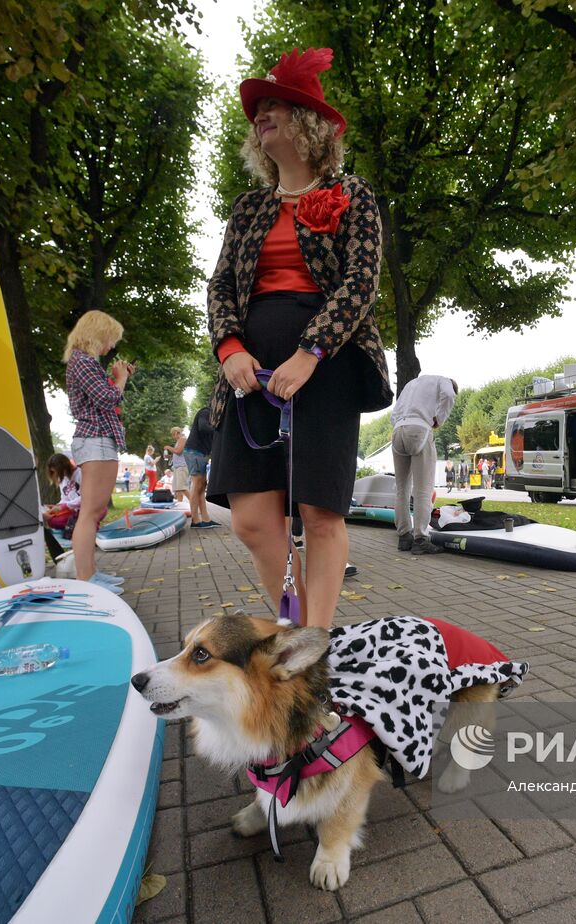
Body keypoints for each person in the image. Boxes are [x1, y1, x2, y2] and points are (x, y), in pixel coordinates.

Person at [204, 47, 392, 629]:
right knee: (252, 520)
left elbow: (362, 280)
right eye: (256, 111)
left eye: (273, 107)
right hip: (249, 374)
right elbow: (219, 287)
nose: (259, 116)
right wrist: (230, 349)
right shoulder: (248, 208)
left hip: (327, 370)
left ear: (307, 123)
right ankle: (304, 636)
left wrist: (309, 352)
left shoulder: (352, 195)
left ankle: (313, 643)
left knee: (321, 515)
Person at [64, 310, 131, 591]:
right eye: (110, 339)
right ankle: (86, 579)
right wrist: (120, 379)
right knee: (90, 512)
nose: (112, 346)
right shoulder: (83, 362)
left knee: (95, 511)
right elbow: (108, 397)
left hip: (98, 439)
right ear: (98, 334)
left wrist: (117, 377)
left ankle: (91, 573)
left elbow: (108, 396)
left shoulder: (85, 363)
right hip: (95, 439)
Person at [390, 375, 458, 553]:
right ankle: (420, 538)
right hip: (419, 429)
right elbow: (449, 395)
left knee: (401, 487)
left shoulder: (411, 383)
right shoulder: (444, 381)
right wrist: (439, 418)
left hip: (398, 430)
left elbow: (395, 411)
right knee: (423, 488)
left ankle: (404, 536)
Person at [185, 407, 219, 528]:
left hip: (200, 453)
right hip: (195, 452)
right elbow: (203, 427)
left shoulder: (213, 416)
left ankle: (205, 518)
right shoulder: (206, 412)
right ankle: (195, 520)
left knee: (201, 485)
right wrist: (219, 430)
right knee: (197, 484)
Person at [42, 453, 83, 531]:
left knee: (54, 521)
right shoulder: (63, 479)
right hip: (72, 509)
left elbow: (85, 498)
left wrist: (63, 507)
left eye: (57, 472)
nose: (57, 475)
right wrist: (56, 506)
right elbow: (65, 498)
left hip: (84, 509)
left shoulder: (80, 473)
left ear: (64, 467)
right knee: (50, 518)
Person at [165, 426, 190, 507]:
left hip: (181, 467)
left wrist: (169, 447)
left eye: (173, 434)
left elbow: (178, 451)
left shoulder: (183, 439)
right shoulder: (179, 441)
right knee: (178, 489)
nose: (173, 437)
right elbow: (177, 453)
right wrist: (170, 456)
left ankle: (195, 505)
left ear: (176, 433)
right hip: (177, 467)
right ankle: (180, 506)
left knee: (183, 488)